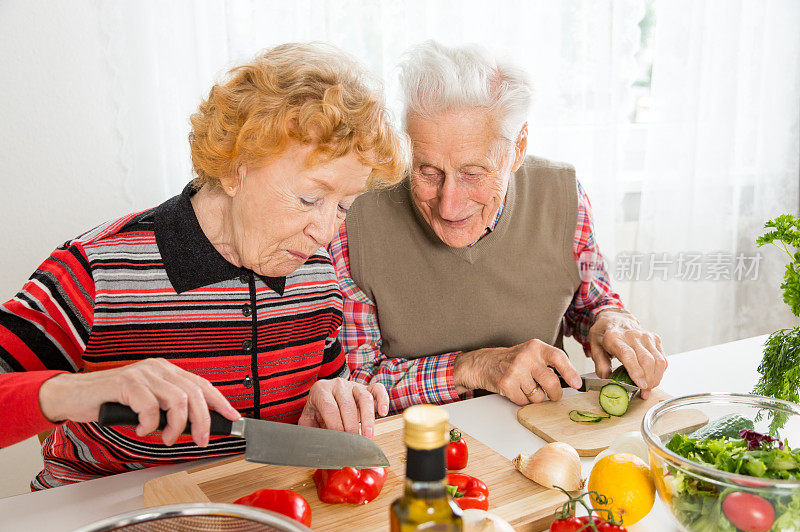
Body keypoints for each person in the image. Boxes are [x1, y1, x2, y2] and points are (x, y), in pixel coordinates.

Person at [0, 42, 409, 489]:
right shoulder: (98, 271)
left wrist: (329, 404)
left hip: (251, 507)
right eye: (309, 199)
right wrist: (77, 392)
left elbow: (314, 403)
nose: (326, 232)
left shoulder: (315, 274)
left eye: (344, 207)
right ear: (237, 168)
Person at [329, 40, 667, 414]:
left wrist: (612, 322)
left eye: (472, 174)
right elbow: (357, 382)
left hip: (536, 433)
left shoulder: (562, 193)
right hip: (417, 445)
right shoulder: (354, 216)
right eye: (428, 171)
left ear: (517, 147)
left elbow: (590, 304)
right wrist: (474, 367)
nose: (449, 204)